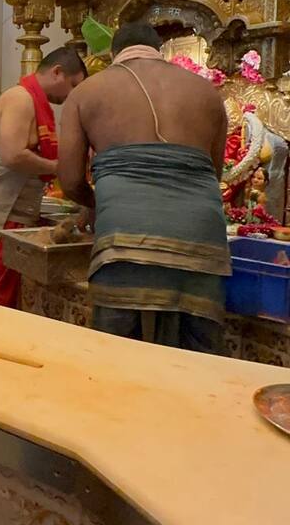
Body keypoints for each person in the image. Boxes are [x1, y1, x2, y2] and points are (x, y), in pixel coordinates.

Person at [58, 21, 230, 352]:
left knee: (118, 359)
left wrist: (96, 204)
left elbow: (69, 180)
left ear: (114, 53)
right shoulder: (206, 92)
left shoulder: (87, 92)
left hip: (124, 238)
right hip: (201, 240)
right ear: (160, 51)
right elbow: (214, 172)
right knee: (202, 360)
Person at [0, 46, 87, 307]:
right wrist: (60, 167)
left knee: (4, 299)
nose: (72, 95)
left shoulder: (31, 98)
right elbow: (13, 156)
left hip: (8, 214)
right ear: (57, 73)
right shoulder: (21, 98)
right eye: (73, 85)